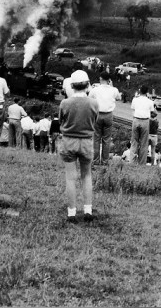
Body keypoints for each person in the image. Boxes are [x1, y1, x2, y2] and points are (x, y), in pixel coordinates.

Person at [58, 70, 99, 223]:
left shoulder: (65, 103)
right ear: (87, 85)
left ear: (72, 86)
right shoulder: (93, 103)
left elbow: (61, 120)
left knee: (70, 178)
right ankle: (88, 210)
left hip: (69, 140)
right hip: (87, 141)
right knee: (86, 175)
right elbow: (94, 120)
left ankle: (71, 213)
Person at [89, 72, 121, 165]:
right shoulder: (114, 90)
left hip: (97, 114)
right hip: (108, 115)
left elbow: (89, 98)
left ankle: (95, 161)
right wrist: (112, 86)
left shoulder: (95, 89)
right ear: (109, 80)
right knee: (106, 139)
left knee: (96, 138)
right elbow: (118, 98)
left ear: (100, 78)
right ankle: (105, 161)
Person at [129, 86, 154, 165]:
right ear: (147, 92)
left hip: (136, 119)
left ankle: (132, 162)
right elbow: (153, 111)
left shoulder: (135, 99)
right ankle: (142, 163)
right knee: (144, 143)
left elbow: (133, 109)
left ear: (139, 91)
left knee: (134, 141)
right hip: (145, 121)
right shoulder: (150, 101)